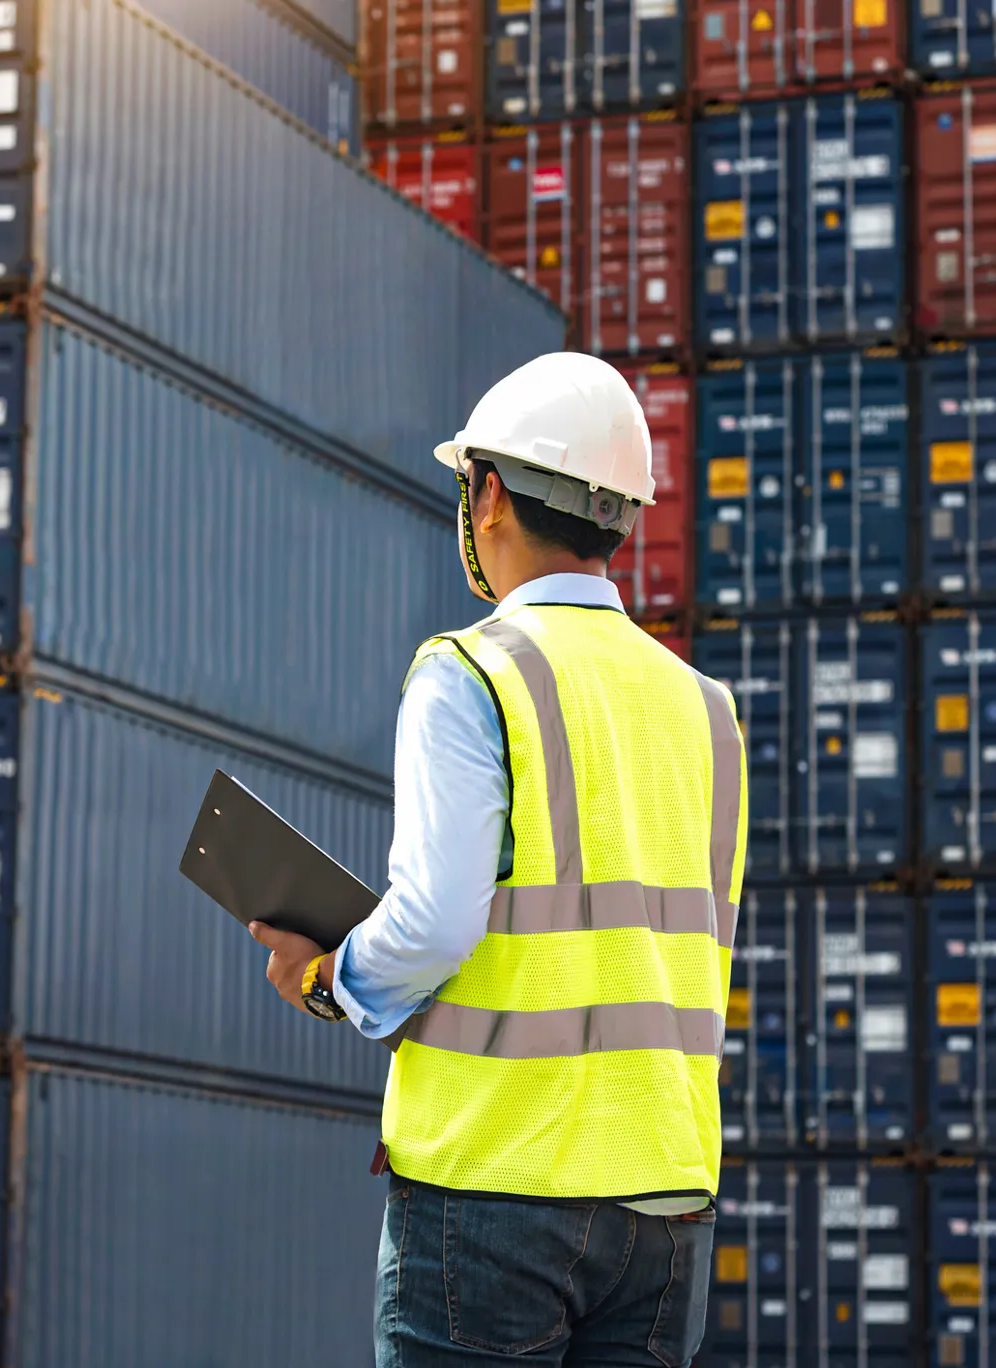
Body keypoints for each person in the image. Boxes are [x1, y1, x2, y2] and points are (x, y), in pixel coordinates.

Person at [248, 352, 747, 1367]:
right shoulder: (707, 708)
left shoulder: (470, 671)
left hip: (496, 1190)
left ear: (484, 496)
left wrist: (326, 981)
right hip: (663, 1197)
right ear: (616, 514)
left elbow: (434, 920)